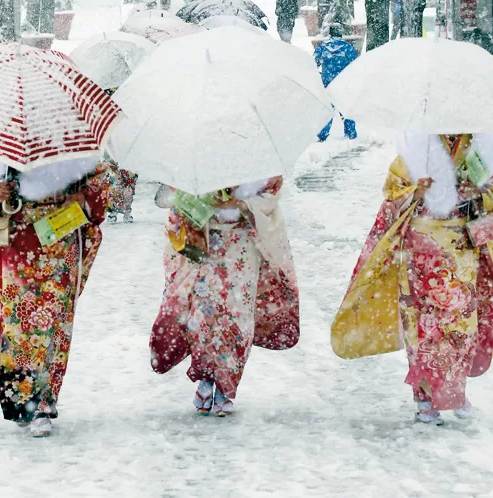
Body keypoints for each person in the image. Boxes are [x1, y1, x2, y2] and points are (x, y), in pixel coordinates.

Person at [331, 133, 493, 425]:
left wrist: (477, 194)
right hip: (422, 245)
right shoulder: (417, 146)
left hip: (460, 245)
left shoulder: (478, 145)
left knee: (460, 325)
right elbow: (392, 195)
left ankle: (455, 392)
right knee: (422, 324)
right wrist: (415, 193)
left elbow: (490, 194)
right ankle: (425, 400)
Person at [0, 155, 112, 437]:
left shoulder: (75, 149)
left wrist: (80, 198)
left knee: (53, 325)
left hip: (59, 243)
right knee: (20, 327)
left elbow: (100, 190)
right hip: (16, 245)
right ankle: (22, 400)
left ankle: (42, 404)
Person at [149, 177, 300, 416]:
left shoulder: (259, 160)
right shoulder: (198, 160)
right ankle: (205, 379)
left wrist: (243, 204)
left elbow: (271, 194)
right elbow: (177, 205)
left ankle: (227, 387)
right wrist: (201, 204)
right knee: (205, 318)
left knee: (237, 319)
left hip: (242, 246)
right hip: (208, 244)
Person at [314, 24, 358, 140]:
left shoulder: (323, 47)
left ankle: (322, 134)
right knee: (346, 108)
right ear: (341, 33)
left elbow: (314, 63)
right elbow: (355, 65)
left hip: (327, 84)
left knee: (327, 110)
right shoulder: (348, 47)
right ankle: (350, 133)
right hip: (343, 83)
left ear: (330, 33)